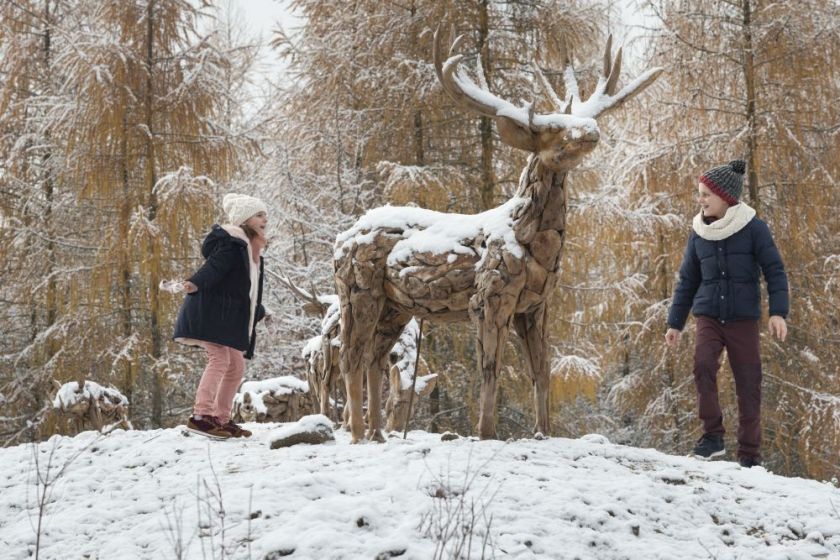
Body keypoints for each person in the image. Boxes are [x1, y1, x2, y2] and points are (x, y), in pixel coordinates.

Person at [665, 160, 789, 468]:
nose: (701, 200)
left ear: (725, 197)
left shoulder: (753, 228)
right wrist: (675, 323)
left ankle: (749, 455)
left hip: (743, 319)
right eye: (700, 194)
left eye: (707, 194)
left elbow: (774, 270)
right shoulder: (698, 233)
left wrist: (778, 312)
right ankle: (713, 438)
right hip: (708, 316)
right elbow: (688, 281)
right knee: (703, 365)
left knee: (749, 381)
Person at [173, 193, 269, 439]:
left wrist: (259, 311)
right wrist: (195, 282)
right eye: (259, 214)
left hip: (227, 317)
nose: (264, 219)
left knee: (235, 365)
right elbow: (214, 267)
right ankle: (201, 416)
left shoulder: (251, 251)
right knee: (219, 360)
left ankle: (220, 418)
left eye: (265, 214)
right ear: (244, 220)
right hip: (212, 313)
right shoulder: (232, 243)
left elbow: (245, 289)